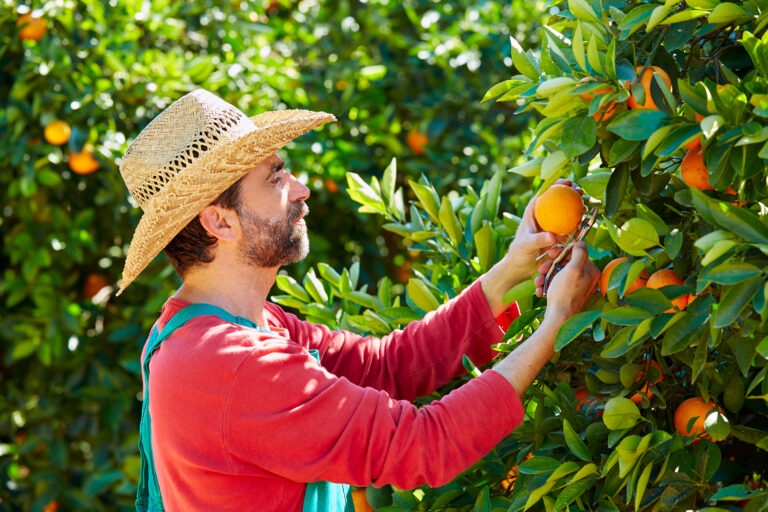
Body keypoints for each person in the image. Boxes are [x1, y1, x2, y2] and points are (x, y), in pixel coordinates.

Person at [116, 89, 600, 512]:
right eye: (275, 178)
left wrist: (511, 270)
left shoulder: (234, 328)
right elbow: (422, 444)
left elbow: (389, 364)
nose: (301, 189)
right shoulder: (231, 363)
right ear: (219, 222)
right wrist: (556, 322)